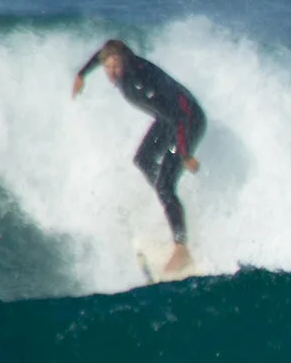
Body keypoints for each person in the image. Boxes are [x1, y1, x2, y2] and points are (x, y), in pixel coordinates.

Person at [72, 38, 203, 279]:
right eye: (108, 67)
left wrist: (185, 154)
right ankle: (169, 206)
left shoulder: (142, 82)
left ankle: (181, 248)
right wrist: (82, 74)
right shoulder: (118, 62)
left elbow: (180, 116)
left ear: (125, 61)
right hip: (168, 121)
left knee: (164, 185)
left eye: (116, 66)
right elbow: (102, 54)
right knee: (143, 160)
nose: (112, 72)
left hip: (187, 122)